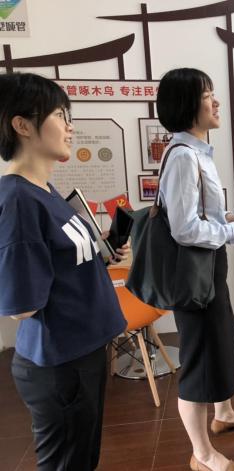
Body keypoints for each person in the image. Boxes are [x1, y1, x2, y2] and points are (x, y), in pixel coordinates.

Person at [0, 72, 130, 470]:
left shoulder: (43, 189)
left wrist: (97, 249)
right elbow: (22, 305)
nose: (71, 127)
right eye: (60, 115)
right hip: (60, 363)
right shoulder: (19, 199)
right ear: (22, 125)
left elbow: (58, 260)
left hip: (81, 353)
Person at [156, 68, 234, 471]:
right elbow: (184, 229)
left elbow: (199, 214)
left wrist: (227, 219)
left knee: (219, 341)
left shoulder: (196, 151)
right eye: (207, 96)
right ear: (187, 105)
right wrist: (231, 230)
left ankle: (224, 413)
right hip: (195, 275)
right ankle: (202, 454)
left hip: (208, 268)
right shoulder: (184, 156)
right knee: (199, 357)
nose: (216, 102)